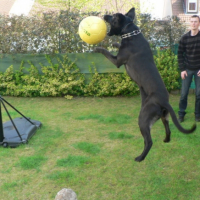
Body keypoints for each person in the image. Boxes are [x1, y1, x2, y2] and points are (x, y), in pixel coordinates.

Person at [178, 15, 200, 122]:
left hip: (199, 71)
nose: (193, 23)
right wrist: (182, 69)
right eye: (192, 21)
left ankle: (197, 115)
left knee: (199, 93)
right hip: (187, 69)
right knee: (183, 94)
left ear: (199, 23)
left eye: (195, 21)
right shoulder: (184, 38)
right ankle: (181, 114)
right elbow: (179, 54)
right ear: (189, 23)